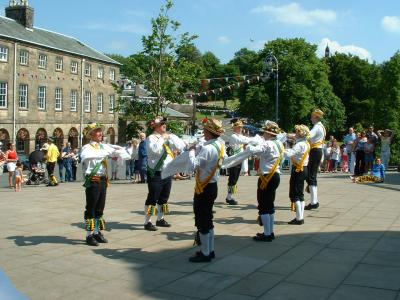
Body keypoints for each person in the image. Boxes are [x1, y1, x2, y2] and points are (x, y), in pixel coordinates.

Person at [80, 122, 129, 246]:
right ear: (91, 134)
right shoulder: (87, 147)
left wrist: (120, 152)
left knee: (100, 208)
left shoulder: (103, 147)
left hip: (103, 180)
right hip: (93, 180)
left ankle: (97, 232)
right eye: (97, 131)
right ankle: (89, 235)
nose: (100, 133)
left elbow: (117, 152)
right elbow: (86, 157)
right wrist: (107, 153)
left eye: (100, 131)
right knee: (91, 208)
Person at [187, 118, 225, 262]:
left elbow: (194, 165)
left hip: (204, 187)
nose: (203, 132)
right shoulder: (219, 145)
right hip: (212, 185)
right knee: (208, 218)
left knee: (202, 220)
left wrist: (192, 151)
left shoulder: (208, 148)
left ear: (209, 132)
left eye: (204, 130)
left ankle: (205, 253)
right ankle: (210, 250)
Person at [144, 116, 186, 231]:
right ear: (155, 126)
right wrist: (163, 137)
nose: (164, 125)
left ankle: (160, 219)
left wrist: (172, 137)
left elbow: (181, 146)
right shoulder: (150, 138)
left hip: (167, 172)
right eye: (162, 124)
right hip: (156, 173)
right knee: (152, 198)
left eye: (164, 124)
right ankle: (147, 222)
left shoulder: (168, 137)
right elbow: (155, 151)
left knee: (164, 197)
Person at [285, 125, 310, 225]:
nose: (295, 133)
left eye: (296, 132)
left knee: (295, 194)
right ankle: (300, 217)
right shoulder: (306, 143)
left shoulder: (299, 145)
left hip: (298, 170)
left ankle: (299, 218)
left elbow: (290, 154)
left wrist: (281, 150)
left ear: (300, 133)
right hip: (304, 169)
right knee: (300, 194)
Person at [223, 119, 252, 205]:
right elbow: (243, 141)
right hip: (233, 160)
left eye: (241, 127)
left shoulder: (240, 136)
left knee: (234, 179)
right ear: (235, 128)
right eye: (238, 127)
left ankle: (230, 196)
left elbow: (245, 139)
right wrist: (254, 140)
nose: (240, 129)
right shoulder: (233, 136)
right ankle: (229, 197)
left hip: (238, 160)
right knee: (233, 178)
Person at [305, 109, 326, 210]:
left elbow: (308, 135)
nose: (311, 118)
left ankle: (314, 202)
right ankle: (314, 199)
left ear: (316, 118)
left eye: (312, 117)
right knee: (311, 175)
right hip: (317, 150)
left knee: (311, 176)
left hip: (315, 150)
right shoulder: (321, 126)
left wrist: (295, 135)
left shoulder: (317, 127)